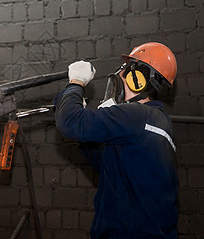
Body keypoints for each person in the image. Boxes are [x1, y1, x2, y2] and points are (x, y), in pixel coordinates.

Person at [54, 42, 179, 239]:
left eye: (125, 71)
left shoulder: (135, 115)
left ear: (135, 78)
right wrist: (86, 134)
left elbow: (68, 123)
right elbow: (108, 164)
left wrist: (76, 83)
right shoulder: (158, 122)